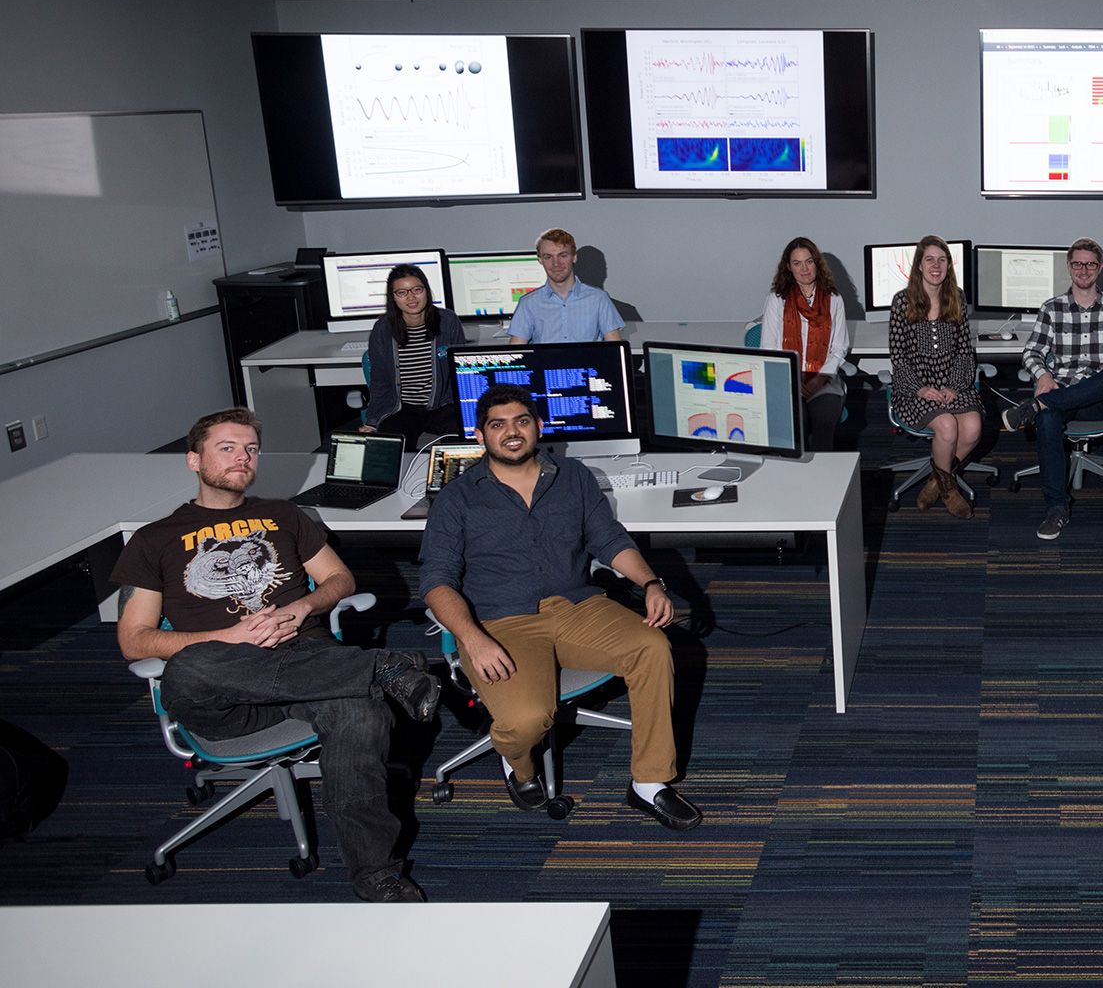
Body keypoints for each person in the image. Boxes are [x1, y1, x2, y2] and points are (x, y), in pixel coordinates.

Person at [111, 408, 439, 902]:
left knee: (362, 714)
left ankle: (376, 875)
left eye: (250, 449)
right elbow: (134, 640)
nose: (242, 458)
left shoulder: (284, 514)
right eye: (226, 448)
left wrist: (302, 606)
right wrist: (230, 637)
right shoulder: (154, 539)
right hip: (225, 683)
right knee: (191, 668)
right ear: (193, 460)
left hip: (309, 658)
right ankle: (382, 667)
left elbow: (340, 579)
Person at [419, 384, 701, 831]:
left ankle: (649, 782)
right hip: (501, 621)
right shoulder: (457, 498)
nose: (512, 432)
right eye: (497, 425)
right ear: (479, 435)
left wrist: (650, 583)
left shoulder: (573, 476)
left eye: (521, 421)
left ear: (539, 426)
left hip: (577, 607)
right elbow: (436, 582)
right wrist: (472, 639)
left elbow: (608, 539)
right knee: (527, 721)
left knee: (651, 647)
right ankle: (518, 764)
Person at [1000, 237, 1103, 540]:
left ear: (1099, 268)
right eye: (1078, 264)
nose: (1083, 270)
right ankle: (1056, 509)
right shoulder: (1052, 308)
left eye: (1090, 264)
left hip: (1101, 397)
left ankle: (1035, 405)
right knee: (1048, 419)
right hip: (1063, 389)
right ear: (1068, 267)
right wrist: (1042, 375)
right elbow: (1031, 352)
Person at [887, 235, 984, 518]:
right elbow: (898, 356)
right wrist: (920, 389)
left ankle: (936, 481)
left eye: (942, 260)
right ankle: (950, 492)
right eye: (929, 259)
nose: (936, 265)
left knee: (973, 427)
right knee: (947, 426)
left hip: (953, 383)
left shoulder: (957, 297)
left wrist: (954, 386)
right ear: (919, 265)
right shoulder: (902, 301)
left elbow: (964, 351)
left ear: (949, 266)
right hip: (914, 388)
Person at [360, 263, 468, 449]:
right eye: (402, 292)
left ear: (426, 291)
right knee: (391, 451)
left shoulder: (448, 321)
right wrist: (372, 421)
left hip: (443, 405)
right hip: (402, 408)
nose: (411, 297)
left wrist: (469, 411)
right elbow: (380, 381)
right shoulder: (383, 328)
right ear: (393, 297)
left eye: (417, 290)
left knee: (460, 444)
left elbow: (460, 373)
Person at [760, 237, 850, 454]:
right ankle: (795, 470)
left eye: (809, 262)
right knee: (796, 422)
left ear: (817, 264)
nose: (804, 269)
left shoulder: (834, 299)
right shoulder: (777, 299)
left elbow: (839, 348)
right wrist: (790, 378)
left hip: (824, 376)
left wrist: (820, 378)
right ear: (788, 267)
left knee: (824, 420)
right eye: (797, 263)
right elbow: (768, 349)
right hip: (787, 378)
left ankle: (823, 472)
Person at [507, 227, 624, 344]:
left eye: (563, 256)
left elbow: (615, 348)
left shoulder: (599, 299)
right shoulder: (528, 303)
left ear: (574, 257)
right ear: (540, 260)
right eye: (548, 257)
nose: (556, 263)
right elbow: (516, 350)